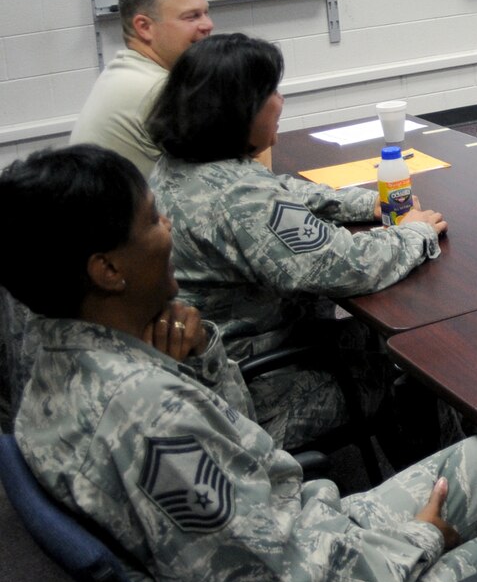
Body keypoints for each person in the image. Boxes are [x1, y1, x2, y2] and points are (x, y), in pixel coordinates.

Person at [4, 145, 477, 582]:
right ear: (107, 270)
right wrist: (421, 538)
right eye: (156, 219)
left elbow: (248, 459)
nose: (171, 228)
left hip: (305, 549)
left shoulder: (57, 358)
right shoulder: (143, 417)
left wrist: (202, 363)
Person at [148, 32, 446, 449]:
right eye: (271, 91)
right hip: (262, 392)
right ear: (240, 111)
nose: (281, 101)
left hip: (212, 371)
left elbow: (281, 190)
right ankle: (431, 490)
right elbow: (346, 266)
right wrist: (414, 231)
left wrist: (367, 204)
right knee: (424, 361)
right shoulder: (240, 199)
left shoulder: (179, 168)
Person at [71, 0, 215, 174]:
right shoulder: (158, 90)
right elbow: (226, 177)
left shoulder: (123, 72)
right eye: (192, 16)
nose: (208, 24)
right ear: (144, 27)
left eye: (205, 13)